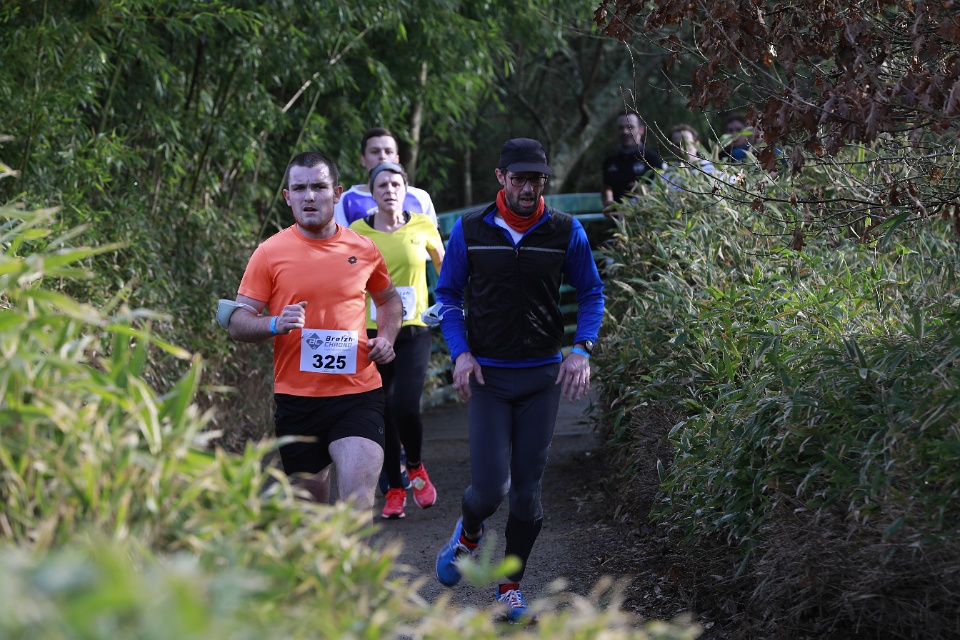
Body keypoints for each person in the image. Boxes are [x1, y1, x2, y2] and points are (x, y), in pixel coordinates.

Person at [432, 138, 604, 623]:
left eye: (536, 180)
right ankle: (468, 533)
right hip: (488, 377)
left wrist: (581, 349)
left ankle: (510, 587)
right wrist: (461, 354)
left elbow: (591, 292)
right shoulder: (470, 229)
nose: (528, 188)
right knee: (490, 490)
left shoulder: (565, 230)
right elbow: (448, 295)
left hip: (540, 377)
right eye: (519, 179)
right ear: (501, 178)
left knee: (527, 494)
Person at [222, 151, 403, 511]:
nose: (309, 196)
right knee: (311, 516)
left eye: (318, 187)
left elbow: (389, 301)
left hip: (358, 394)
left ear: (336, 194)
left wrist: (386, 337)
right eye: (299, 188)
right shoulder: (269, 253)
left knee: (357, 502)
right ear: (287, 197)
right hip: (298, 401)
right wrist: (274, 323)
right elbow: (237, 323)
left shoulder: (363, 248)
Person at [350, 162, 445, 520]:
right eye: (382, 185)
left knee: (405, 404)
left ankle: (415, 466)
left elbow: (445, 267)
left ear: (405, 190)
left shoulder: (422, 225)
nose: (389, 190)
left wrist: (447, 303)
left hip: (414, 328)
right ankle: (394, 488)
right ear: (372, 193)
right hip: (373, 332)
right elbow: (344, 277)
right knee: (384, 409)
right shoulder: (358, 232)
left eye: (396, 184)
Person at [334, 127, 438, 229]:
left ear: (397, 159)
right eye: (375, 152)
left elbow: (433, 237)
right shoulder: (346, 201)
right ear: (362, 159)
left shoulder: (420, 198)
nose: (382, 157)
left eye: (388, 152)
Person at [601, 110, 666, 208]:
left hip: (645, 214)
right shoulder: (610, 161)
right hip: (617, 216)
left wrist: (644, 191)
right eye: (621, 128)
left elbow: (666, 190)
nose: (625, 132)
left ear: (641, 130)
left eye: (630, 127)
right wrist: (608, 202)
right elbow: (607, 187)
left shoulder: (652, 159)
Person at [662, 123, 734, 187]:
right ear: (671, 148)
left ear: (697, 144)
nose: (682, 149)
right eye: (677, 145)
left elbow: (733, 183)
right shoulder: (667, 175)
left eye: (686, 144)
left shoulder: (713, 168)